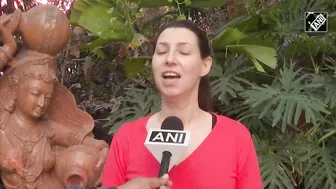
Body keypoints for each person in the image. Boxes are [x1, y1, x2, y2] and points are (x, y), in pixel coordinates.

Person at [101, 20, 263, 189]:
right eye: (162, 51)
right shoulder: (126, 138)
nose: (170, 59)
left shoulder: (236, 137)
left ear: (205, 65)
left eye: (183, 52)